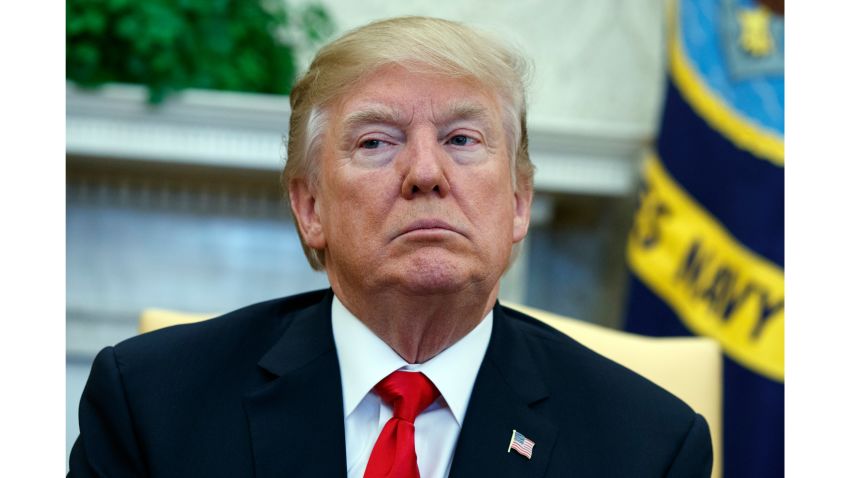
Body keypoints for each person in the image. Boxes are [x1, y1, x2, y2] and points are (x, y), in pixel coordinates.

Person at [69, 16, 712, 478]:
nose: (426, 172)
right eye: (376, 141)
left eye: (463, 139)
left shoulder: (648, 446)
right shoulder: (151, 403)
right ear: (311, 206)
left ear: (518, 201)